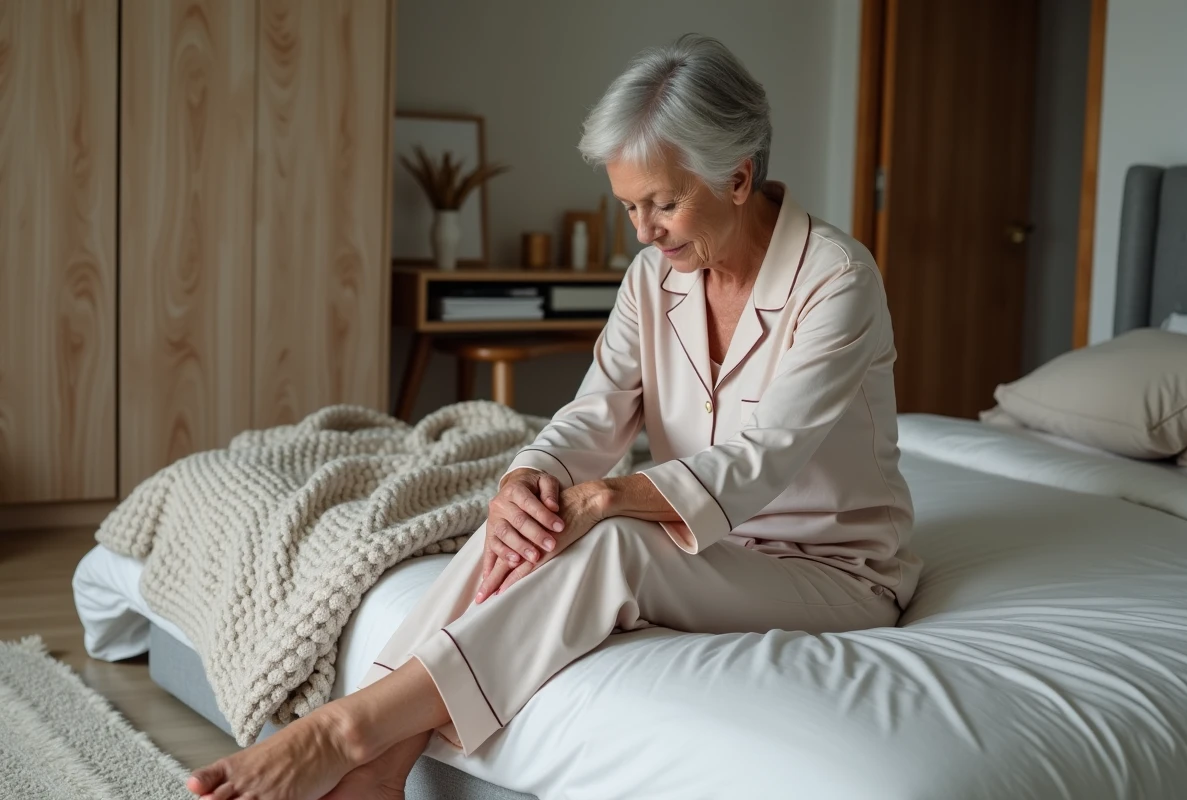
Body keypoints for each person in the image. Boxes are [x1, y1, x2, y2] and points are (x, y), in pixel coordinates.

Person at [186, 33, 920, 800]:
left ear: (737, 177)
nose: (644, 232)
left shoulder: (837, 279)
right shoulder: (652, 277)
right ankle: (379, 769)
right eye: (629, 206)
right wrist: (529, 479)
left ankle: (344, 732)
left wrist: (606, 497)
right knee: (523, 525)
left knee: (613, 543)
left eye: (664, 204)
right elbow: (597, 409)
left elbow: (765, 454)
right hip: (710, 549)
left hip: (829, 570)